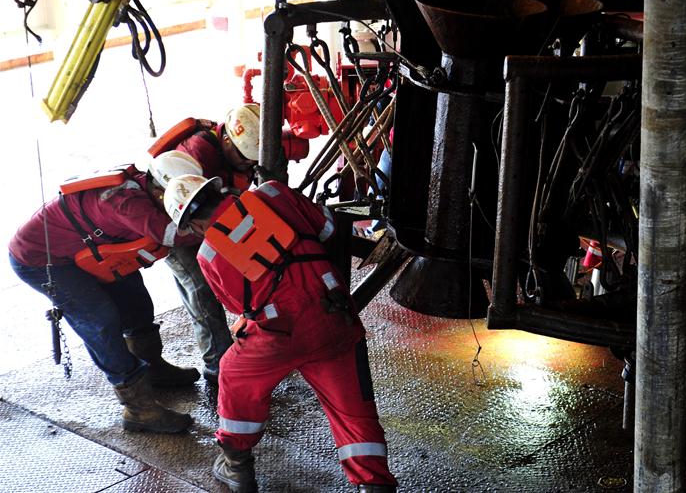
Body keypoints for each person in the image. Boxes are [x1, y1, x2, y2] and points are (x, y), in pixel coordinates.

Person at [163, 174, 398, 493]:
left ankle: (236, 465)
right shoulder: (274, 192)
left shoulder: (208, 255)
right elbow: (329, 227)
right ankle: (375, 485)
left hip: (280, 333)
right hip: (335, 314)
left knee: (233, 373)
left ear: (194, 226)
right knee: (352, 410)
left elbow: (238, 303)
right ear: (219, 191)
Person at [7, 154, 204, 434]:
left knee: (134, 297)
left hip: (81, 248)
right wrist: (216, 223)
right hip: (40, 259)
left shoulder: (145, 186)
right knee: (100, 319)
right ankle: (139, 409)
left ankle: (154, 368)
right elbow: (169, 235)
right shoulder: (125, 202)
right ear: (160, 189)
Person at [150, 104, 262, 383]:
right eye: (244, 158)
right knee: (201, 289)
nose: (248, 164)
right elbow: (187, 210)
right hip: (177, 226)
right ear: (227, 140)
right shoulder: (197, 155)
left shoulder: (244, 147)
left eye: (252, 161)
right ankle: (219, 366)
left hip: (210, 219)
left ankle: (255, 336)